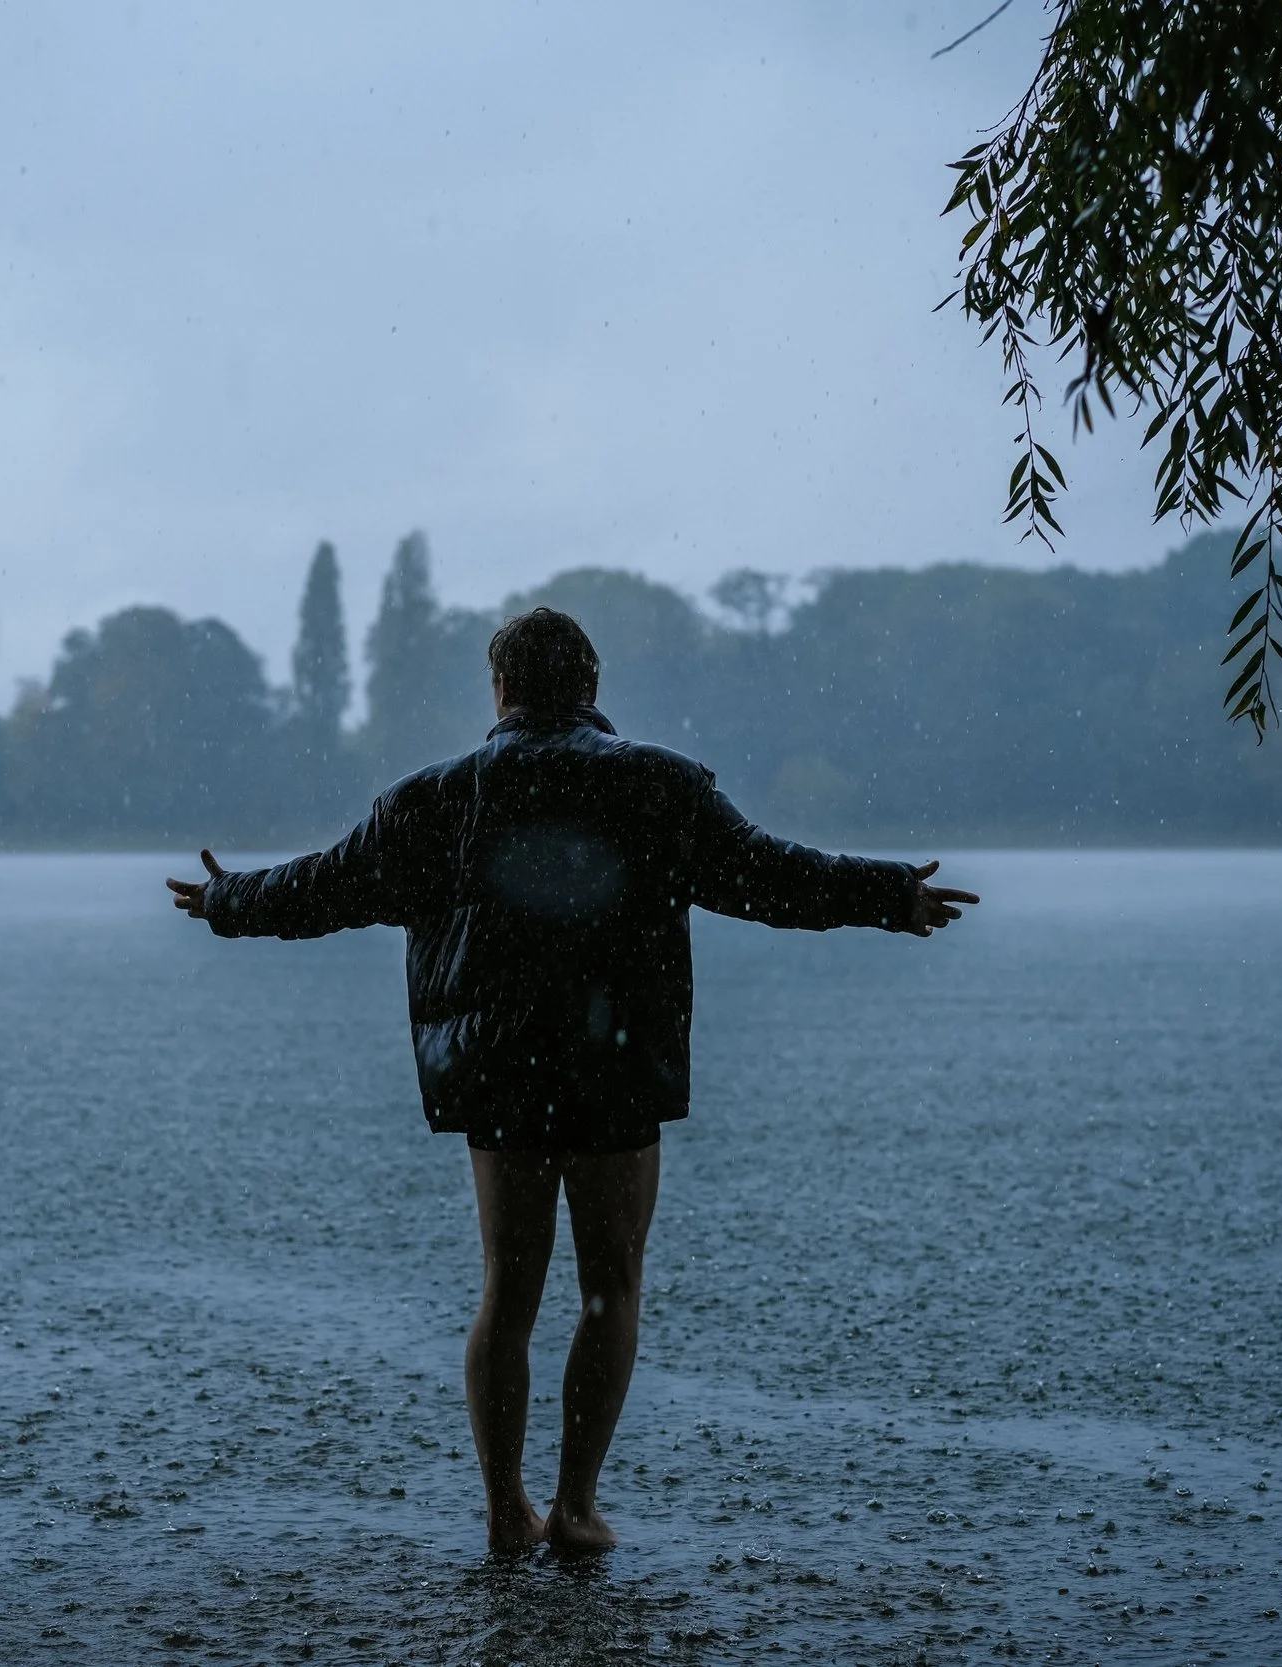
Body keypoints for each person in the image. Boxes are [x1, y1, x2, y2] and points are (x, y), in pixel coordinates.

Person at [166, 606, 976, 1556]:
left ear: (500, 690)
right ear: (592, 688)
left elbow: (321, 888)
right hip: (615, 1063)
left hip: (499, 1072)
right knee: (610, 1285)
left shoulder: (431, 800)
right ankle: (578, 1504)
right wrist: (889, 895)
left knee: (508, 1292)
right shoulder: (657, 785)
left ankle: (506, 1506)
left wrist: (225, 900)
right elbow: (768, 875)